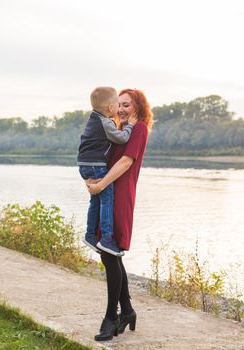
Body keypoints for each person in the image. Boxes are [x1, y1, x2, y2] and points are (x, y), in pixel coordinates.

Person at [86, 89, 153, 341]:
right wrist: (91, 179)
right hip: (106, 193)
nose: (122, 109)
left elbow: (126, 162)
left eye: (127, 105)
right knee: (110, 255)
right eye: (119, 104)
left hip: (120, 196)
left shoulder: (139, 129)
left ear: (137, 108)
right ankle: (126, 311)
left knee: (110, 254)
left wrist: (100, 185)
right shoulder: (114, 128)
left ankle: (111, 317)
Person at [77, 87, 137, 256]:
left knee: (95, 200)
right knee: (106, 198)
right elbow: (123, 138)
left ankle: (90, 235)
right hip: (96, 165)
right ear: (111, 108)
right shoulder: (106, 123)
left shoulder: (93, 119)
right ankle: (107, 238)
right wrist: (130, 126)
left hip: (84, 164)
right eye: (119, 105)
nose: (120, 109)